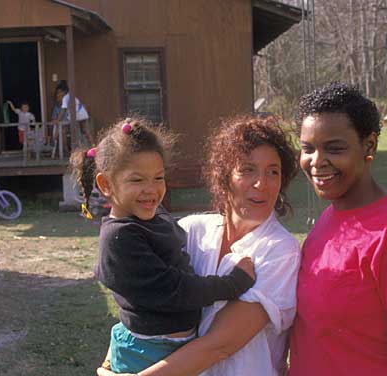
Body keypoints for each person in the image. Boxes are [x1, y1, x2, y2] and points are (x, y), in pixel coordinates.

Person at [97, 115, 301, 376]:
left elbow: (218, 346)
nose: (262, 183)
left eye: (273, 171)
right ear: (224, 176)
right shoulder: (192, 230)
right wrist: (111, 363)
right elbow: (140, 297)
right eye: (248, 170)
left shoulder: (279, 250)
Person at [70, 117, 257, 374]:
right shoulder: (120, 238)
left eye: (158, 177)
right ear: (106, 185)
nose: (151, 189)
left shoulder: (153, 217)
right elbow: (175, 290)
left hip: (173, 346)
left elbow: (177, 238)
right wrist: (233, 283)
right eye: (137, 180)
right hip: (147, 352)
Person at [289, 82, 387, 376]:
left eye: (334, 148)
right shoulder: (327, 221)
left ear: (369, 145)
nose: (317, 162)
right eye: (308, 148)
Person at [54, 80, 94, 145]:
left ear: (64, 91)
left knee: (67, 128)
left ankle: (76, 147)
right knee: (85, 131)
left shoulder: (65, 98)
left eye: (59, 92)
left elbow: (63, 110)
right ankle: (93, 146)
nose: (58, 94)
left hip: (77, 115)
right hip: (82, 113)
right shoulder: (70, 95)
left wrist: (58, 120)